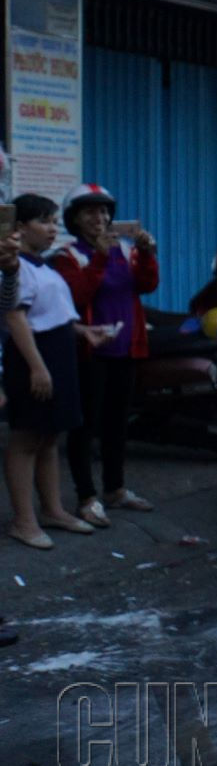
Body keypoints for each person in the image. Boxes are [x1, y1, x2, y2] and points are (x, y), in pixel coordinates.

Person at [4, 195, 111, 550]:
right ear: (19, 228)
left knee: (50, 438)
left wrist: (84, 332)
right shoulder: (14, 267)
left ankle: (52, 510)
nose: (53, 229)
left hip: (59, 354)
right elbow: (16, 317)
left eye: (54, 221)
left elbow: (58, 314)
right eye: (44, 222)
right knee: (25, 440)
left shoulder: (44, 267)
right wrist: (37, 367)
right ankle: (23, 521)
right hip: (34, 357)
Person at [53, 184, 160, 525]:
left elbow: (146, 285)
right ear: (74, 219)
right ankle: (86, 497)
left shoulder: (126, 250)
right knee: (85, 426)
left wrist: (146, 254)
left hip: (126, 346)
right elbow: (77, 296)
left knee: (117, 422)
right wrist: (99, 257)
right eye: (89, 212)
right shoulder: (67, 257)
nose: (99, 218)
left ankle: (115, 489)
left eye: (103, 212)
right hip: (89, 351)